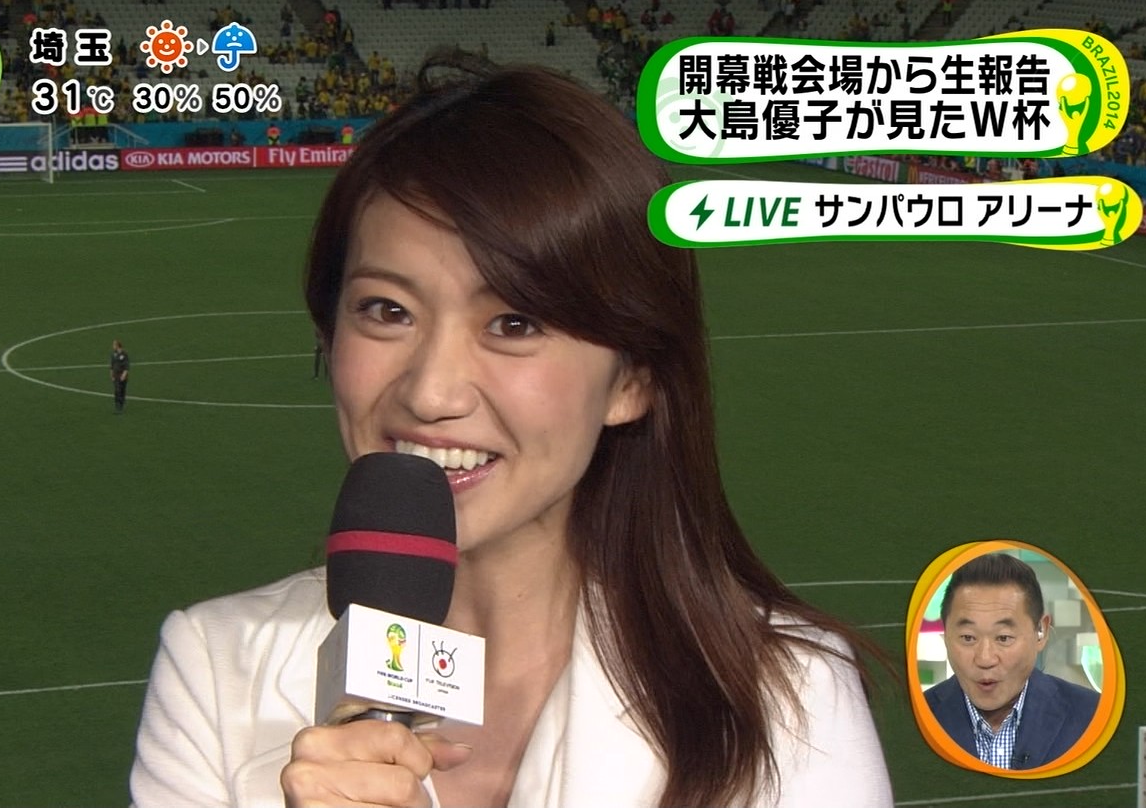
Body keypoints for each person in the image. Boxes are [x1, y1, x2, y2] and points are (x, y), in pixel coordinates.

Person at [130, 52, 892, 807]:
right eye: (387, 311)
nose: (430, 393)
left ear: (632, 380)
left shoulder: (789, 700)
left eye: (514, 323)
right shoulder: (216, 669)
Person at [924, 553, 1100, 770]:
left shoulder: (1091, 716)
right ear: (946, 635)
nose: (985, 659)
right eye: (968, 637)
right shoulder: (913, 718)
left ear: (1041, 632)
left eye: (1003, 638)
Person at [111, 339, 131, 414]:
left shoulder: (124, 354)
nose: (113, 346)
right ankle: (117, 406)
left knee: (122, 390)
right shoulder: (114, 354)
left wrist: (124, 375)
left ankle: (121, 405)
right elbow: (112, 365)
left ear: (117, 346)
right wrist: (111, 375)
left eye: (114, 345)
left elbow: (126, 366)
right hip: (116, 375)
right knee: (117, 390)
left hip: (122, 376)